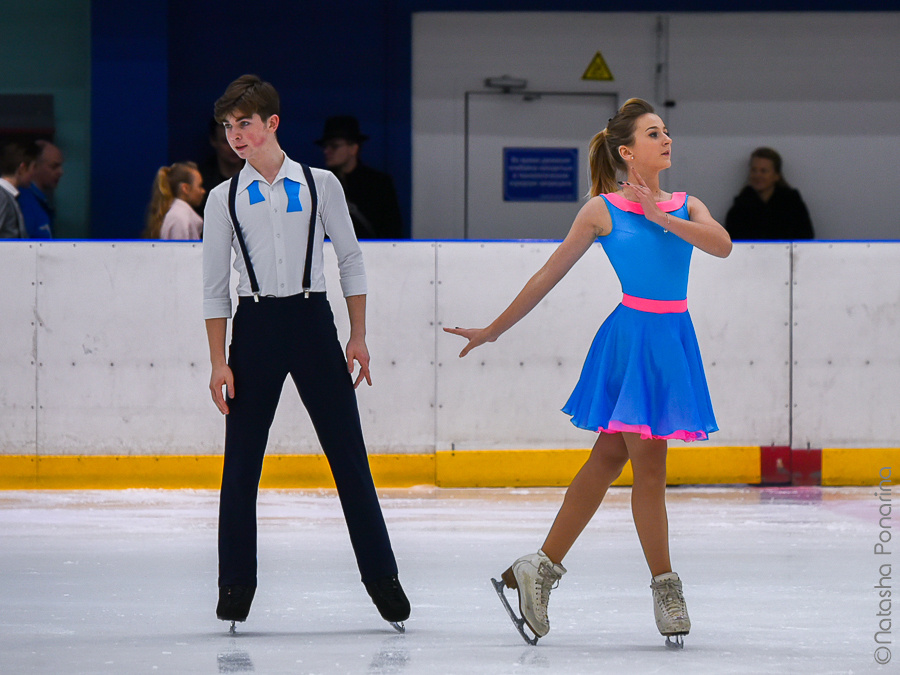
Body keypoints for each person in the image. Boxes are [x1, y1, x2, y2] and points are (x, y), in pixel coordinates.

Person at [445, 98, 732, 648]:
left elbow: (722, 246)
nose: (666, 139)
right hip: (631, 342)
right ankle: (665, 588)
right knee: (649, 468)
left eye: (667, 131)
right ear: (628, 151)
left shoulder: (686, 203)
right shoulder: (601, 210)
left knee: (607, 457)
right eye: (654, 133)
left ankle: (541, 567)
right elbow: (546, 275)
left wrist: (662, 217)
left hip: (671, 341)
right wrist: (494, 328)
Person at [202, 75, 410, 632]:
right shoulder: (222, 198)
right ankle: (235, 585)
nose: (235, 135)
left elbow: (351, 260)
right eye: (228, 127)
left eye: (244, 123)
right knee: (241, 465)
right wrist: (219, 359)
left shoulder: (321, 185)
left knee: (349, 457)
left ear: (271, 123)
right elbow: (214, 286)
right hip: (255, 329)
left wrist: (358, 334)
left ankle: (382, 578)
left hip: (315, 324)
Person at [315, 115, 403, 239]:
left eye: (334, 146)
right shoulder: (321, 183)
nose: (326, 151)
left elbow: (392, 229)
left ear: (353, 148)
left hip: (373, 254)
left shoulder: (379, 184)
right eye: (325, 146)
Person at [725, 147, 814, 240]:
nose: (757, 175)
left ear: (776, 175)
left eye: (763, 171)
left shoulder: (792, 204)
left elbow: (805, 237)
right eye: (754, 170)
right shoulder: (740, 207)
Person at [143, 162, 205, 240]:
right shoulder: (179, 219)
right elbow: (179, 251)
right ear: (185, 188)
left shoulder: (180, 215)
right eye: (200, 186)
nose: (203, 191)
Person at [17, 140, 64, 239]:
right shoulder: (23, 203)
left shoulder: (40, 203)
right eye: (54, 166)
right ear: (35, 166)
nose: (60, 172)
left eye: (60, 166)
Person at [198, 117, 243, 213]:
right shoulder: (200, 181)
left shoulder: (259, 175)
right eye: (226, 142)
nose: (233, 147)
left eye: (238, 140)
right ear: (214, 141)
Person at [0, 141, 38, 239]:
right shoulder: (2, 196)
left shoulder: (7, 196)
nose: (35, 173)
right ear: (22, 168)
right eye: (34, 167)